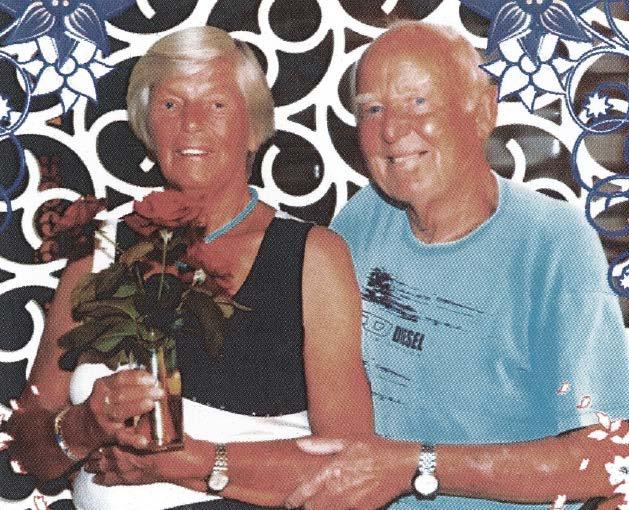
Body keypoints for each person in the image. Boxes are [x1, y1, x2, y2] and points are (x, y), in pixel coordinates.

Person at [6, 25, 374, 509]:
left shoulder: (311, 256)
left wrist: (188, 463)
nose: (191, 124)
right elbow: (27, 448)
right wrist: (83, 426)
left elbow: (352, 465)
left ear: (253, 127)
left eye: (216, 104)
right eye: (170, 104)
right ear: (147, 126)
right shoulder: (100, 251)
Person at [283, 21, 629, 510]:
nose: (391, 130)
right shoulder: (362, 219)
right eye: (372, 109)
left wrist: (416, 465)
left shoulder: (552, 243)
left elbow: (607, 456)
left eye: (418, 102)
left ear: (482, 111)